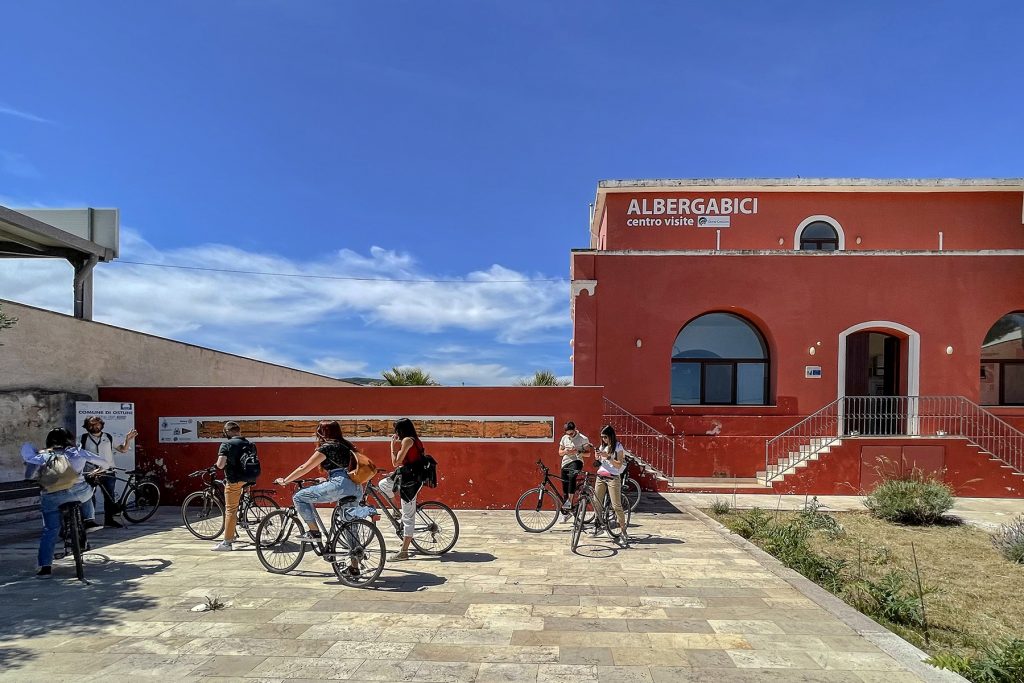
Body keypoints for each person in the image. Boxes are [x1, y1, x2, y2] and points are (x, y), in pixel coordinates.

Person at [22, 427, 108, 578]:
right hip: (78, 494)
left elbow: (29, 474)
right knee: (90, 487)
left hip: (52, 497)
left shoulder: (43, 456)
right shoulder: (78, 452)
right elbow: (105, 463)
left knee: (50, 530)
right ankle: (89, 519)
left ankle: (45, 567)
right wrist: (95, 472)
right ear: (70, 439)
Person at [378, 418, 425, 561]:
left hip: (411, 481)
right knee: (383, 484)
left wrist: (392, 446)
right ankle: (396, 510)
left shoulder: (407, 441)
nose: (395, 433)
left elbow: (395, 462)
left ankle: (404, 552)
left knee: (408, 518)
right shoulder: (415, 439)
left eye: (396, 430)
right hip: (409, 476)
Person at [80, 416, 138, 528]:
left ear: (101, 424)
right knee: (88, 497)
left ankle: (109, 520)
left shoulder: (108, 437)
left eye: (97, 424)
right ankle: (88, 521)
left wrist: (128, 440)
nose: (95, 426)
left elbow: (123, 450)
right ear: (87, 426)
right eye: (91, 424)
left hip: (108, 472)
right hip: (91, 472)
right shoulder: (82, 439)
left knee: (109, 497)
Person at [209, 421, 256, 551]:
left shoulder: (226, 445)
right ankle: (234, 529)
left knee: (230, 510)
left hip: (234, 480)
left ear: (227, 432)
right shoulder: (248, 443)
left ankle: (227, 543)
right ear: (239, 431)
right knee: (237, 507)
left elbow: (220, 465)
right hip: (248, 478)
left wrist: (215, 465)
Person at [592, 425, 629, 548]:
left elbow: (619, 465)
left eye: (605, 437)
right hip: (601, 476)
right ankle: (598, 526)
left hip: (613, 477)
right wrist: (597, 456)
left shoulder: (618, 447)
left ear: (611, 436)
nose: (603, 439)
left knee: (616, 505)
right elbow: (600, 462)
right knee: (596, 502)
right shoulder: (603, 446)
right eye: (602, 437)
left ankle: (623, 532)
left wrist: (608, 456)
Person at [557, 421, 591, 523]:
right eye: (568, 434)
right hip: (565, 462)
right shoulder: (564, 438)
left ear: (575, 429)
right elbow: (560, 452)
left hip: (577, 461)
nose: (570, 436)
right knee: (564, 486)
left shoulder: (583, 438)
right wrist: (566, 452)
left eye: (571, 433)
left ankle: (570, 503)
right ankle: (567, 513)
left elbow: (588, 454)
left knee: (572, 476)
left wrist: (578, 451)